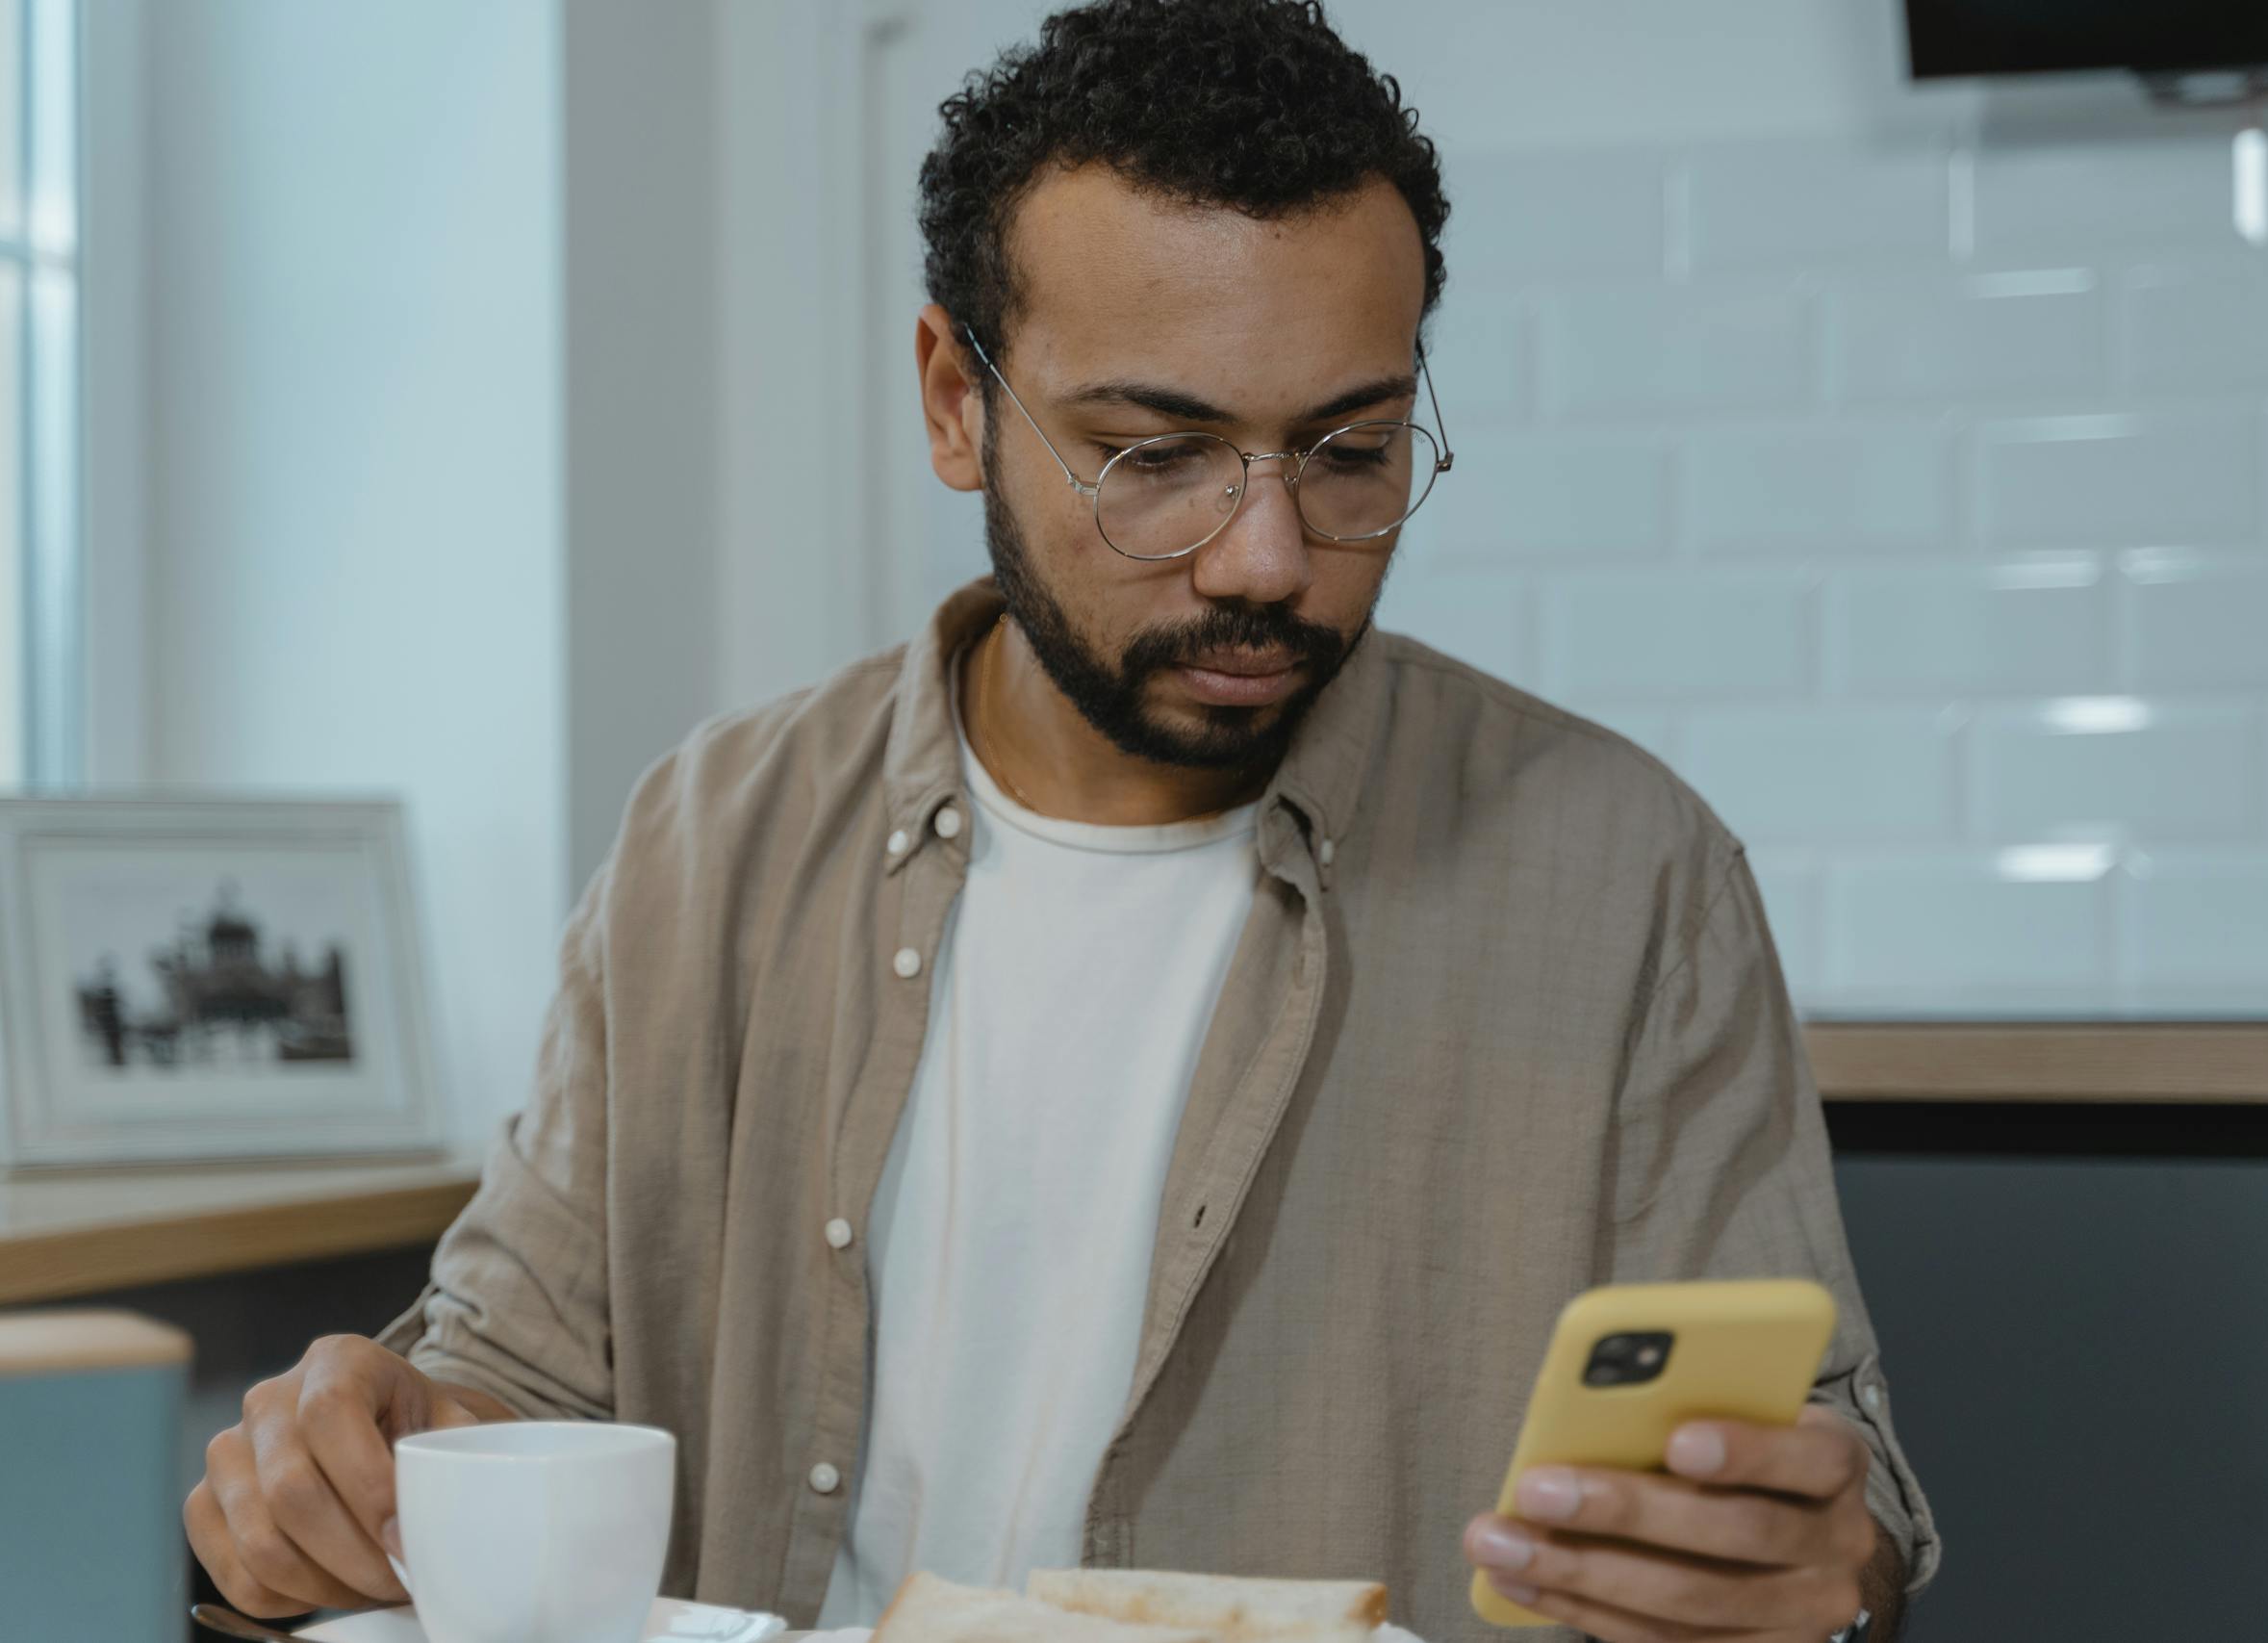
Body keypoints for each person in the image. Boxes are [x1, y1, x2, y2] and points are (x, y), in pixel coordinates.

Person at [185, 4, 1938, 1639]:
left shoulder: (1629, 876)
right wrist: (353, 1465)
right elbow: (521, 1384)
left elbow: (1828, 1482)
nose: (1267, 559)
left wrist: (1812, 1565)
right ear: (959, 400)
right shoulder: (707, 840)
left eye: (1351, 451)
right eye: (1151, 456)